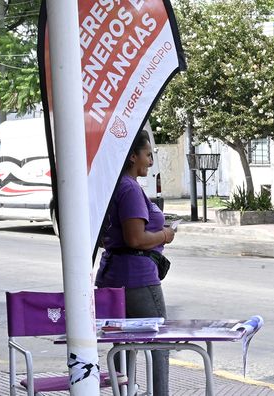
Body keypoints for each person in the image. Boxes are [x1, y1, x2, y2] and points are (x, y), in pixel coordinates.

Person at [95, 130, 175, 395]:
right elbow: (135, 238)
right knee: (158, 344)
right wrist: (165, 235)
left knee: (121, 345)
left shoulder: (112, 184)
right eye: (148, 155)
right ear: (132, 156)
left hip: (112, 276)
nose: (151, 162)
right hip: (137, 280)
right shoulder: (128, 188)